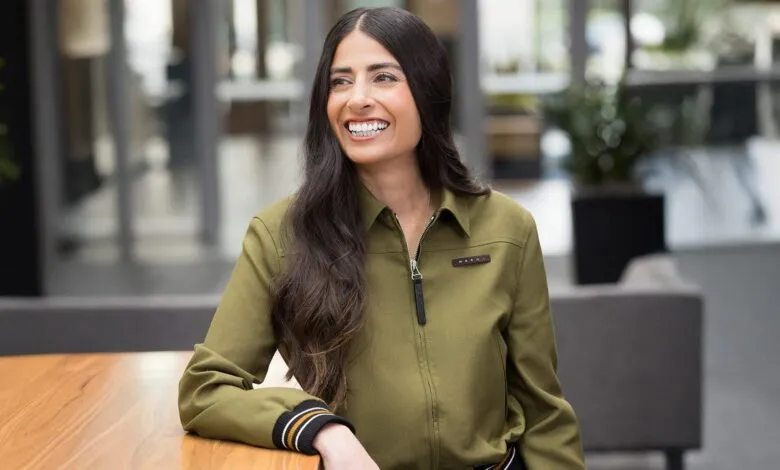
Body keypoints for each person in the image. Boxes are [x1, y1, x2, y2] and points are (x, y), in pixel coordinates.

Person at [178, 6, 585, 470]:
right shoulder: (281, 236)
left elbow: (544, 412)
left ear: (428, 92)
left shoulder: (506, 229)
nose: (358, 99)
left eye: (384, 77)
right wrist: (319, 428)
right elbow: (206, 389)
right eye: (341, 81)